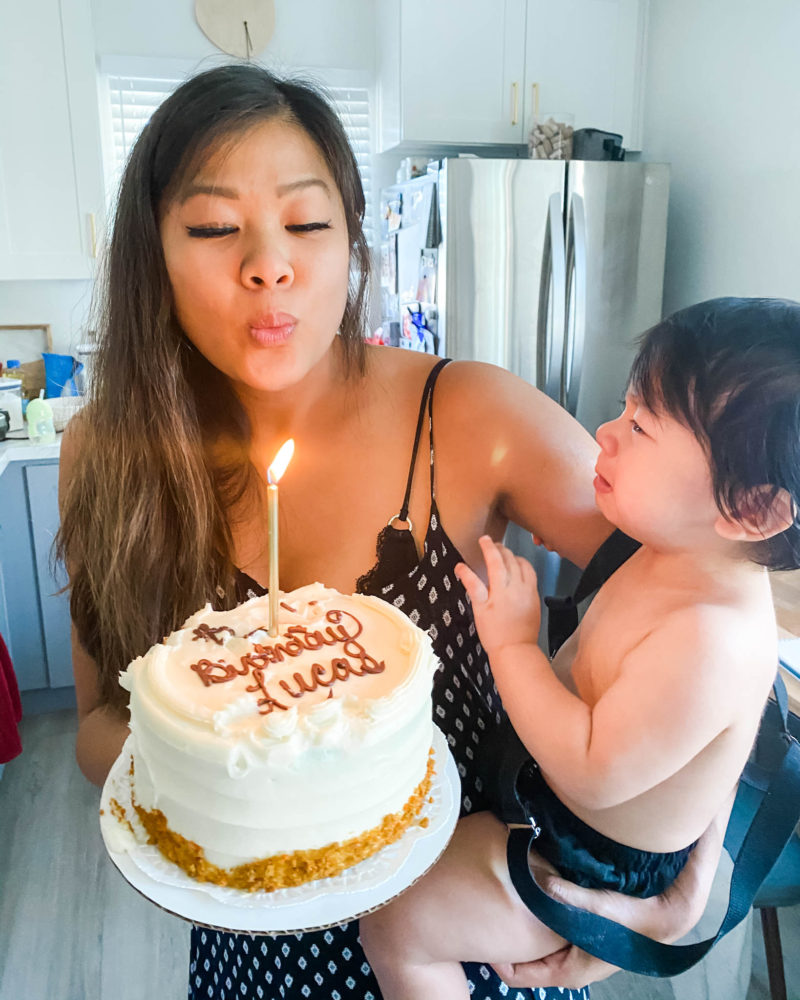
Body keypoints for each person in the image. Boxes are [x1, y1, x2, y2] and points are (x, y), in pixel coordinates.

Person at [57, 63, 725, 1000]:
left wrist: (688, 860)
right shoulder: (103, 451)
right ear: (152, 254)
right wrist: (209, 757)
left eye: (307, 222)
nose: (268, 265)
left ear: (352, 239)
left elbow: (710, 605)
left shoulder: (472, 416)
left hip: (476, 954)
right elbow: (96, 723)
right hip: (255, 963)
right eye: (213, 228)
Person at [359, 297, 800, 999]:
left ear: (749, 509)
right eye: (625, 409)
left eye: (639, 426)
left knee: (398, 922)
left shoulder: (711, 637)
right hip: (551, 805)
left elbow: (593, 770)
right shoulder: (675, 550)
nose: (604, 432)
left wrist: (511, 644)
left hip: (584, 857)